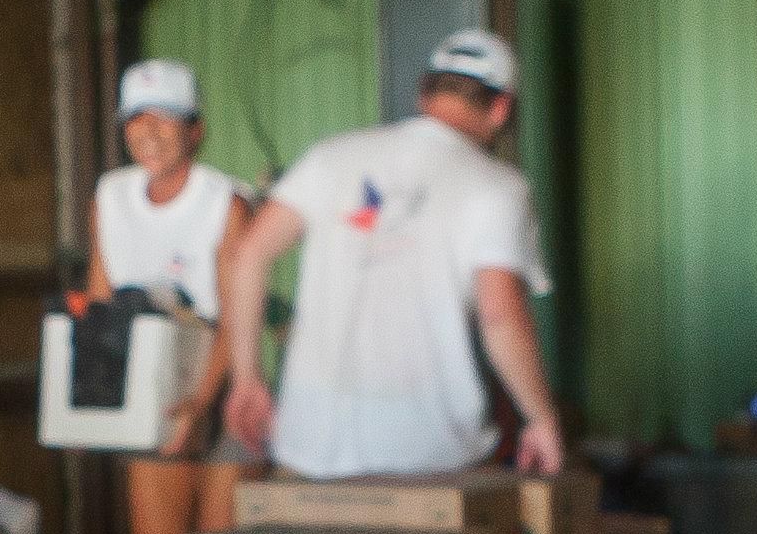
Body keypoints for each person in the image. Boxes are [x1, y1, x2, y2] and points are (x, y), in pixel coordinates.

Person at [220, 28, 565, 483]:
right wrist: (540, 418)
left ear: (425, 94)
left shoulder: (330, 157)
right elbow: (500, 314)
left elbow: (248, 256)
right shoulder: (497, 186)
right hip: (429, 452)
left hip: (309, 445)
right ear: (501, 109)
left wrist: (247, 378)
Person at [82, 57, 254, 534]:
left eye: (167, 119)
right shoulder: (111, 194)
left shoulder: (225, 202)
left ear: (196, 131)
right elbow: (101, 291)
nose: (149, 132)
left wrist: (200, 404)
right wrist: (94, 397)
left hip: (223, 379)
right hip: (149, 377)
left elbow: (238, 317)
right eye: (137, 119)